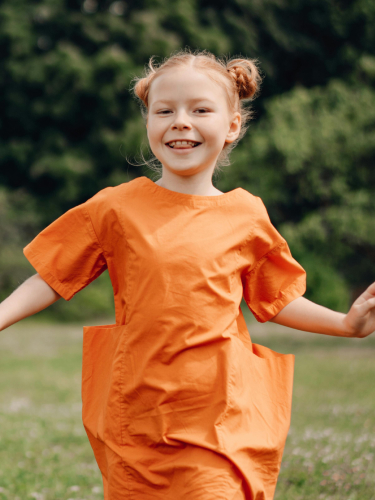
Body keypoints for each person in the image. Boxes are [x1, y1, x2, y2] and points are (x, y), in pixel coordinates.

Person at [0, 48, 374, 500]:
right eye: (165, 110)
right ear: (149, 124)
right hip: (137, 414)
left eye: (200, 109)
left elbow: (276, 299)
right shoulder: (114, 208)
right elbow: (51, 276)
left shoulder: (247, 214)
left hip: (217, 415)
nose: (180, 121)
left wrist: (346, 325)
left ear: (232, 126)